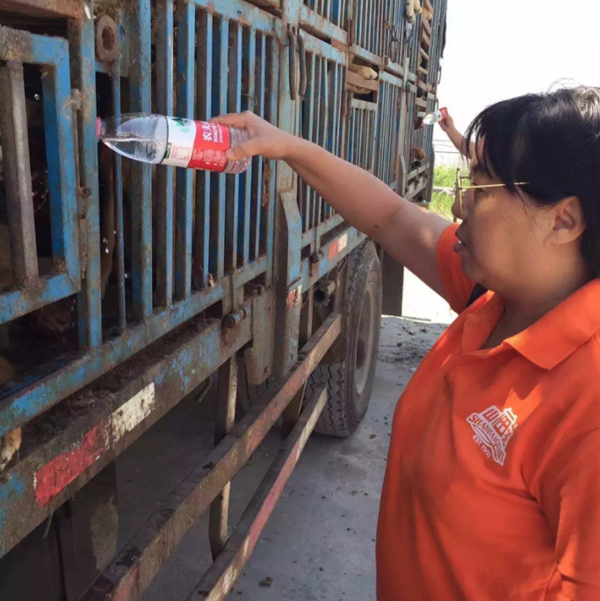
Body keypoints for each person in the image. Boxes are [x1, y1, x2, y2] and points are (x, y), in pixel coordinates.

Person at [212, 86, 600, 601]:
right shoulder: (498, 300)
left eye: (482, 189)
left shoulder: (586, 400)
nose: (459, 202)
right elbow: (392, 217)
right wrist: (286, 146)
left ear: (564, 220)